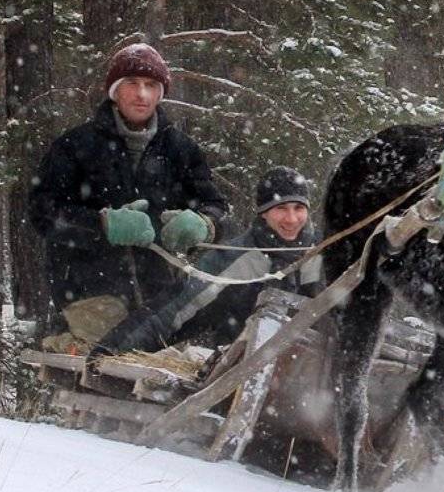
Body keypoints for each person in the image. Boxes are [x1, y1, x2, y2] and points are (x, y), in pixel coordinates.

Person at [29, 42, 230, 348]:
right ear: (115, 91)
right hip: (88, 290)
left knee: (160, 380)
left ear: (160, 93)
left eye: (151, 85)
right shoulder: (75, 145)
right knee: (102, 369)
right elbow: (42, 211)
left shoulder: (180, 149)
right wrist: (102, 225)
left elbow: (216, 206)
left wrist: (204, 224)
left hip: (160, 294)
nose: (142, 94)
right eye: (132, 84)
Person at [90, 166, 325, 357]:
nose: (292, 219)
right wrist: (111, 350)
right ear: (263, 212)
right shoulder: (236, 258)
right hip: (237, 372)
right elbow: (175, 310)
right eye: (281, 208)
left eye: (298, 208)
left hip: (309, 380)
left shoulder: (324, 253)